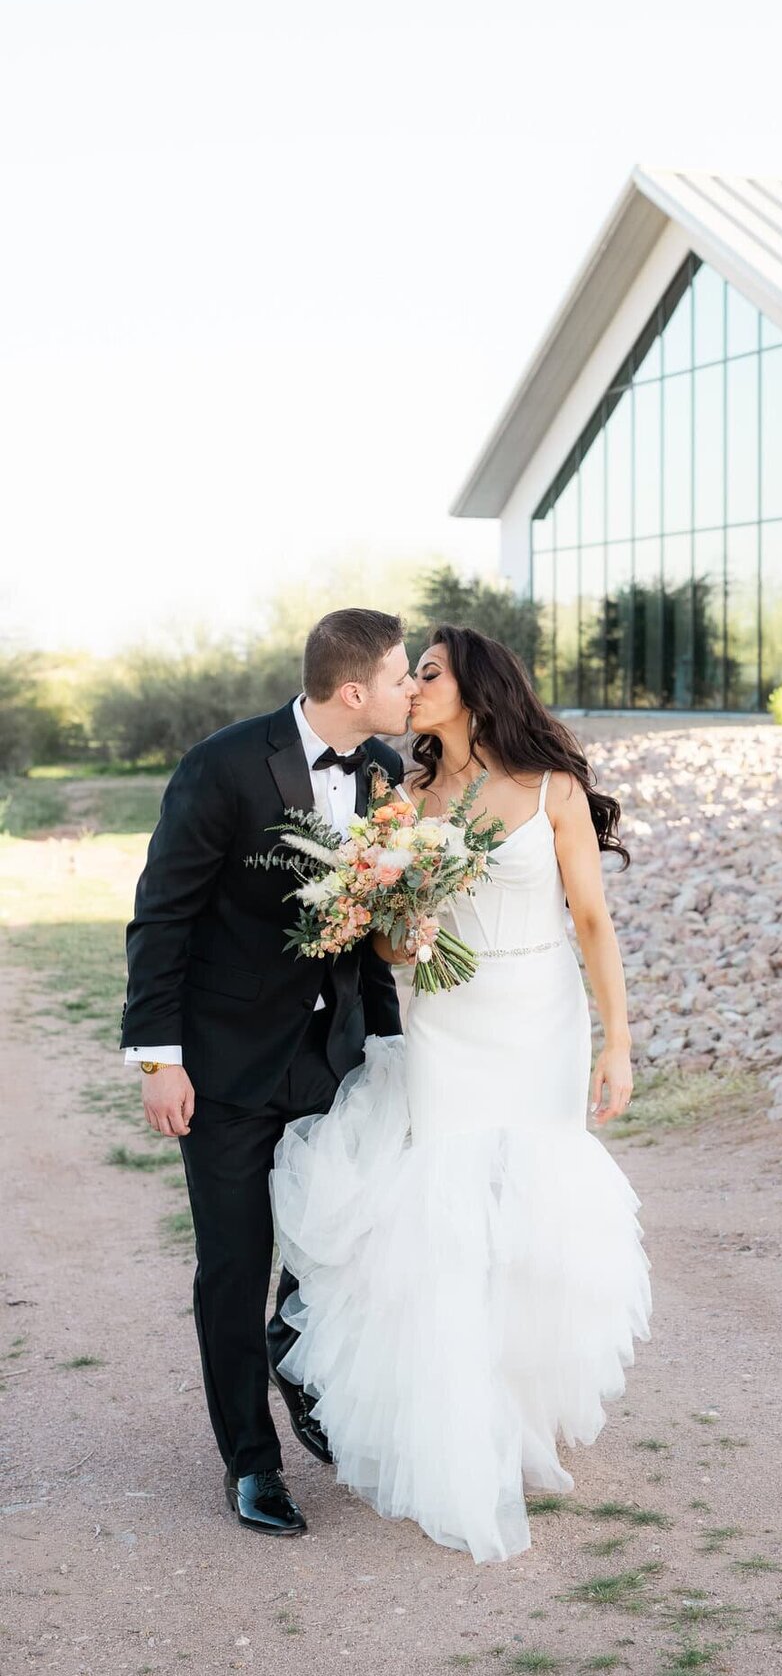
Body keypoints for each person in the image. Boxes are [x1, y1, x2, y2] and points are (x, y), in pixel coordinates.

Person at [270, 625, 651, 1563]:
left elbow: (592, 921)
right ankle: (455, 1420)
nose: (412, 688)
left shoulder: (553, 789)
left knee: (528, 1210)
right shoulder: (403, 799)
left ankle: (519, 1409)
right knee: (448, 1213)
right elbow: (393, 948)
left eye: (427, 673)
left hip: (540, 1015)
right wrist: (406, 917)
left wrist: (619, 1044)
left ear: (474, 688)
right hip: (447, 1022)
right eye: (411, 675)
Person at [121, 608, 418, 1536]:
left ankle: (299, 1366)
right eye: (405, 676)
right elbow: (161, 916)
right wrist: (159, 1060)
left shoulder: (384, 773)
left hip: (333, 1056)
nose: (414, 689)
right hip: (222, 1063)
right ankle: (251, 1462)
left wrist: (386, 1042)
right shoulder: (223, 766)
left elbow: (368, 932)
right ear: (355, 690)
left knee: (335, 1246)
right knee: (236, 1264)